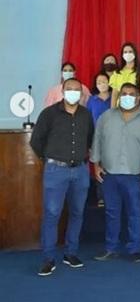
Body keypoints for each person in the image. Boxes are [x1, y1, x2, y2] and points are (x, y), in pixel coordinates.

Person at [30, 78, 94, 276]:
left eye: (77, 90)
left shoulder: (86, 114)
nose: (73, 92)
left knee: (77, 213)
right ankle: (49, 259)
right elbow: (36, 141)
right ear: (63, 91)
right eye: (69, 89)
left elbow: (89, 139)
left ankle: (70, 253)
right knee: (52, 215)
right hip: (56, 171)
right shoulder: (49, 114)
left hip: (81, 171)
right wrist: (50, 158)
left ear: (82, 94)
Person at [91, 83, 140, 263]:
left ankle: (135, 249)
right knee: (112, 212)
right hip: (110, 173)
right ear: (119, 97)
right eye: (124, 94)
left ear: (138, 97)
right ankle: (111, 248)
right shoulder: (106, 117)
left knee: (134, 212)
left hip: (135, 174)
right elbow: (97, 140)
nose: (127, 97)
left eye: (131, 94)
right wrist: (96, 165)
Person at [86, 72, 112, 207]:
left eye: (104, 81)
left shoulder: (115, 97)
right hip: (97, 137)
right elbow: (88, 120)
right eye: (99, 82)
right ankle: (101, 196)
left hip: (114, 137)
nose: (102, 84)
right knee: (99, 167)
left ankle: (113, 196)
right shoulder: (92, 100)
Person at [109, 43, 138, 108]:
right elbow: (114, 94)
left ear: (135, 53)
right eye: (125, 52)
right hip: (120, 108)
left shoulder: (139, 71)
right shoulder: (117, 72)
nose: (128, 54)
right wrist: (112, 110)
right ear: (122, 55)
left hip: (135, 107)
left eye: (130, 52)